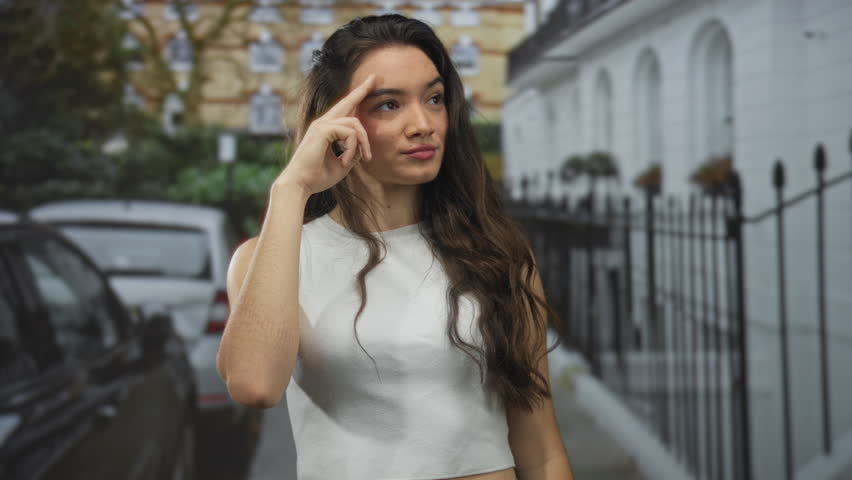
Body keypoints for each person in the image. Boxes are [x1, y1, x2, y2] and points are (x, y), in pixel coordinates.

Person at [217, 14, 574, 480]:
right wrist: (290, 189)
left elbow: (542, 449)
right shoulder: (274, 258)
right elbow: (255, 385)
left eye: (434, 99)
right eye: (388, 105)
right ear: (335, 120)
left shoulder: (496, 253)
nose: (423, 124)